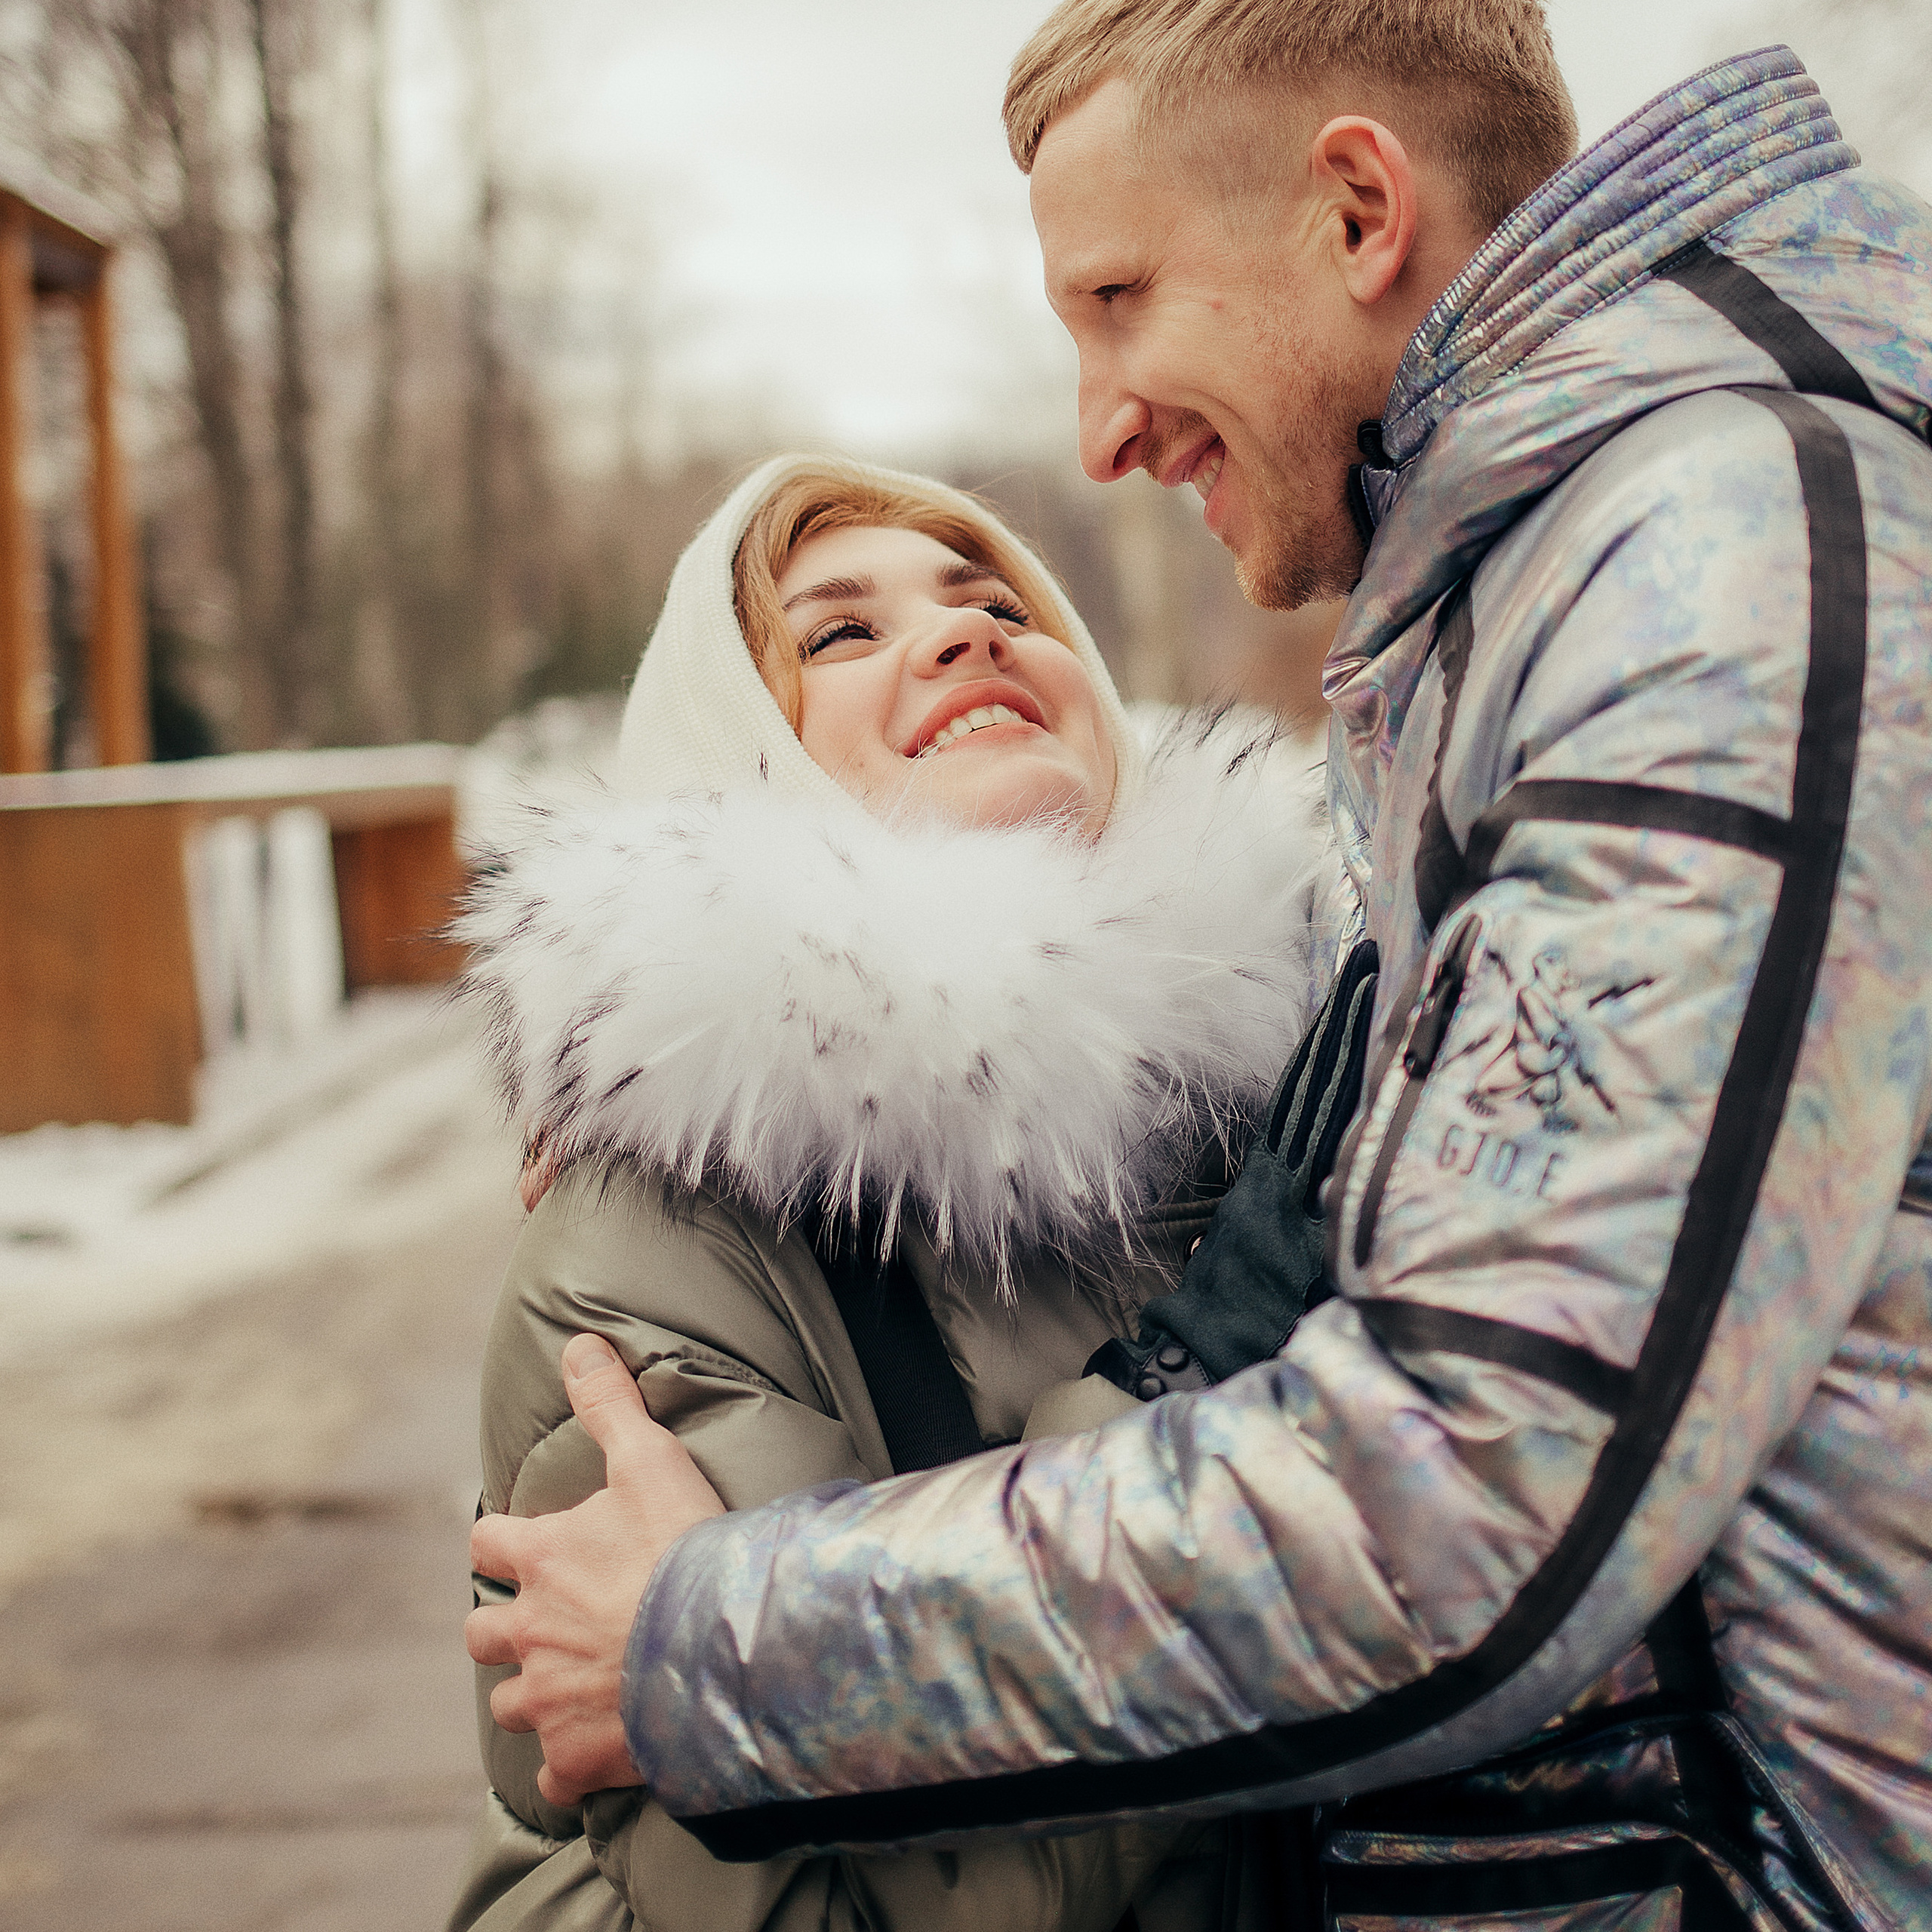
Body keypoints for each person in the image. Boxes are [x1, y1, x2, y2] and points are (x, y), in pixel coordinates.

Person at [468, 6, 1932, 1926]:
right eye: (837, 633)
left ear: (1351, 210)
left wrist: (718, 1637)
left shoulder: (1711, 562)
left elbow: (1481, 1491)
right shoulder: (677, 1226)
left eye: (1114, 293)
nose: (1095, 425)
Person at [448, 453, 1335, 1931]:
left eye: (996, 603)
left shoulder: (1270, 1112)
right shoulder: (651, 1244)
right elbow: (869, 1908)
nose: (966, 632)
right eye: (839, 632)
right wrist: (1177, 1394)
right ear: (734, 771)